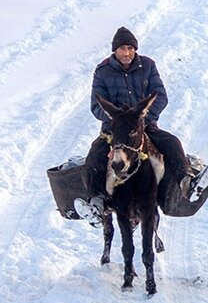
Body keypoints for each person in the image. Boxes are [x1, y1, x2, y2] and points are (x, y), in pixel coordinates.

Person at [81, 27, 194, 216]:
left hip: (144, 124)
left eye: (130, 48)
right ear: (114, 51)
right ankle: (97, 200)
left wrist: (142, 120)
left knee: (171, 142)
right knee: (95, 154)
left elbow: (161, 97)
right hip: (115, 129)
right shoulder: (103, 72)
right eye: (122, 49)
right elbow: (96, 105)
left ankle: (187, 181)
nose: (127, 53)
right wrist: (116, 120)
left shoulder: (148, 66)